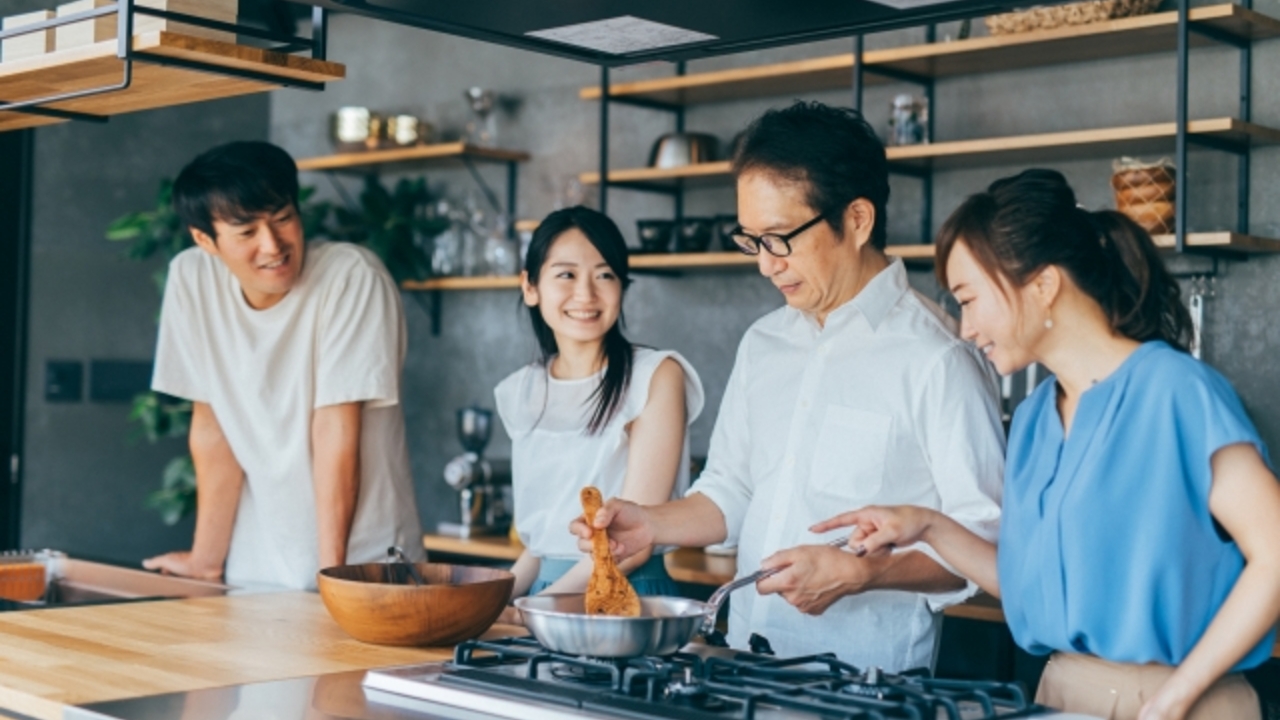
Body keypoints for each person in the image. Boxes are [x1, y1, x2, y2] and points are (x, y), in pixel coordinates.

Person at [820, 169, 1280, 719]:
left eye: (970, 299)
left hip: (1181, 702)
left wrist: (1178, 696)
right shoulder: (1038, 417)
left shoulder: (1176, 391)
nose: (965, 328)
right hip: (1059, 694)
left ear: (1042, 285)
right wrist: (927, 525)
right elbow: (1029, 589)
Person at [573, 101, 1005, 671]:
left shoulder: (940, 357)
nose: (765, 264)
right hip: (745, 666)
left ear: (856, 220)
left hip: (865, 688)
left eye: (779, 238)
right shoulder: (763, 343)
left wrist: (865, 572)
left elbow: (985, 543)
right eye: (750, 240)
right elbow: (732, 491)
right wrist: (653, 524)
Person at [142, 141, 424, 590]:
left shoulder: (351, 277)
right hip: (256, 565)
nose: (272, 245)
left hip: (363, 567)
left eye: (282, 219)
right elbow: (212, 429)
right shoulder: (190, 279)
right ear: (205, 240)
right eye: (246, 232)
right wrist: (205, 560)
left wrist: (331, 578)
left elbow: (335, 430)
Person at [496, 206, 704, 604]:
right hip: (546, 598)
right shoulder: (521, 390)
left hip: (626, 594)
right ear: (530, 287)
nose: (586, 294)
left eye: (605, 275)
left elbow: (635, 541)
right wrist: (496, 603)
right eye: (566, 274)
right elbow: (542, 546)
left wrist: (536, 610)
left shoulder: (656, 375)